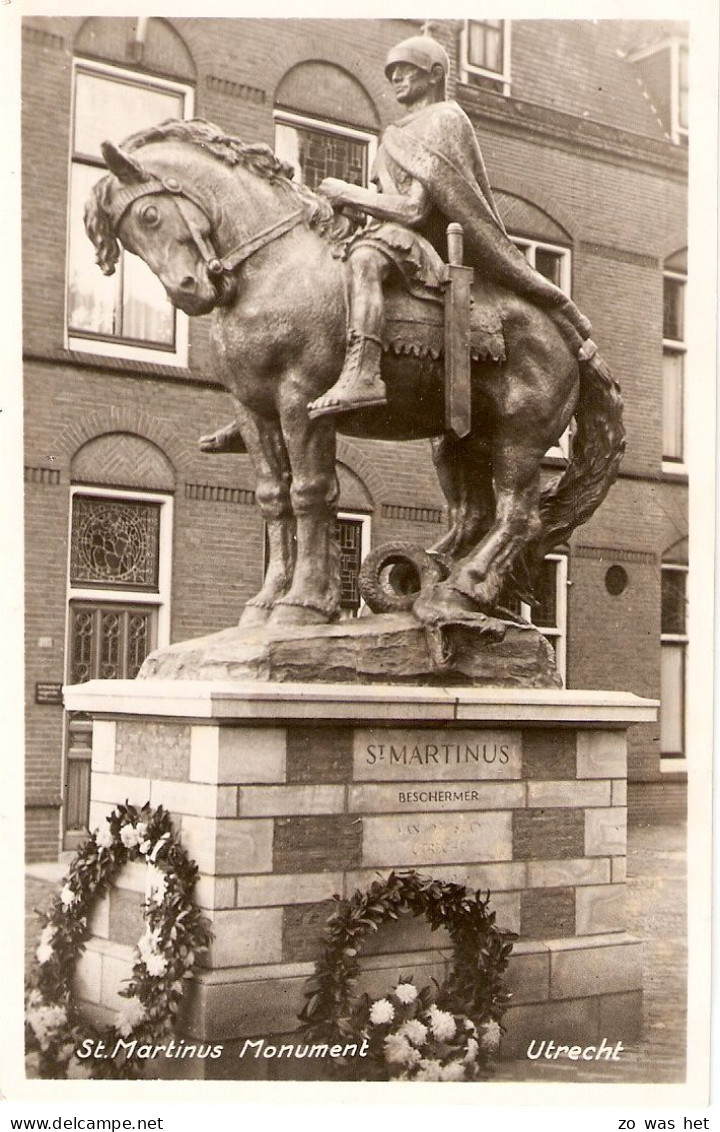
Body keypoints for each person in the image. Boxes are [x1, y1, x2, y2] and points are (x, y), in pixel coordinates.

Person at [307, 34, 595, 420]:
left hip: (425, 244)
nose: (395, 78)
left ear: (434, 75)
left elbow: (413, 210)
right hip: (390, 236)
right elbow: (382, 208)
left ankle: (364, 375)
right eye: (392, 72)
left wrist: (348, 193)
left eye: (405, 70)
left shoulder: (445, 119)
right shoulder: (393, 134)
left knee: (364, 261)